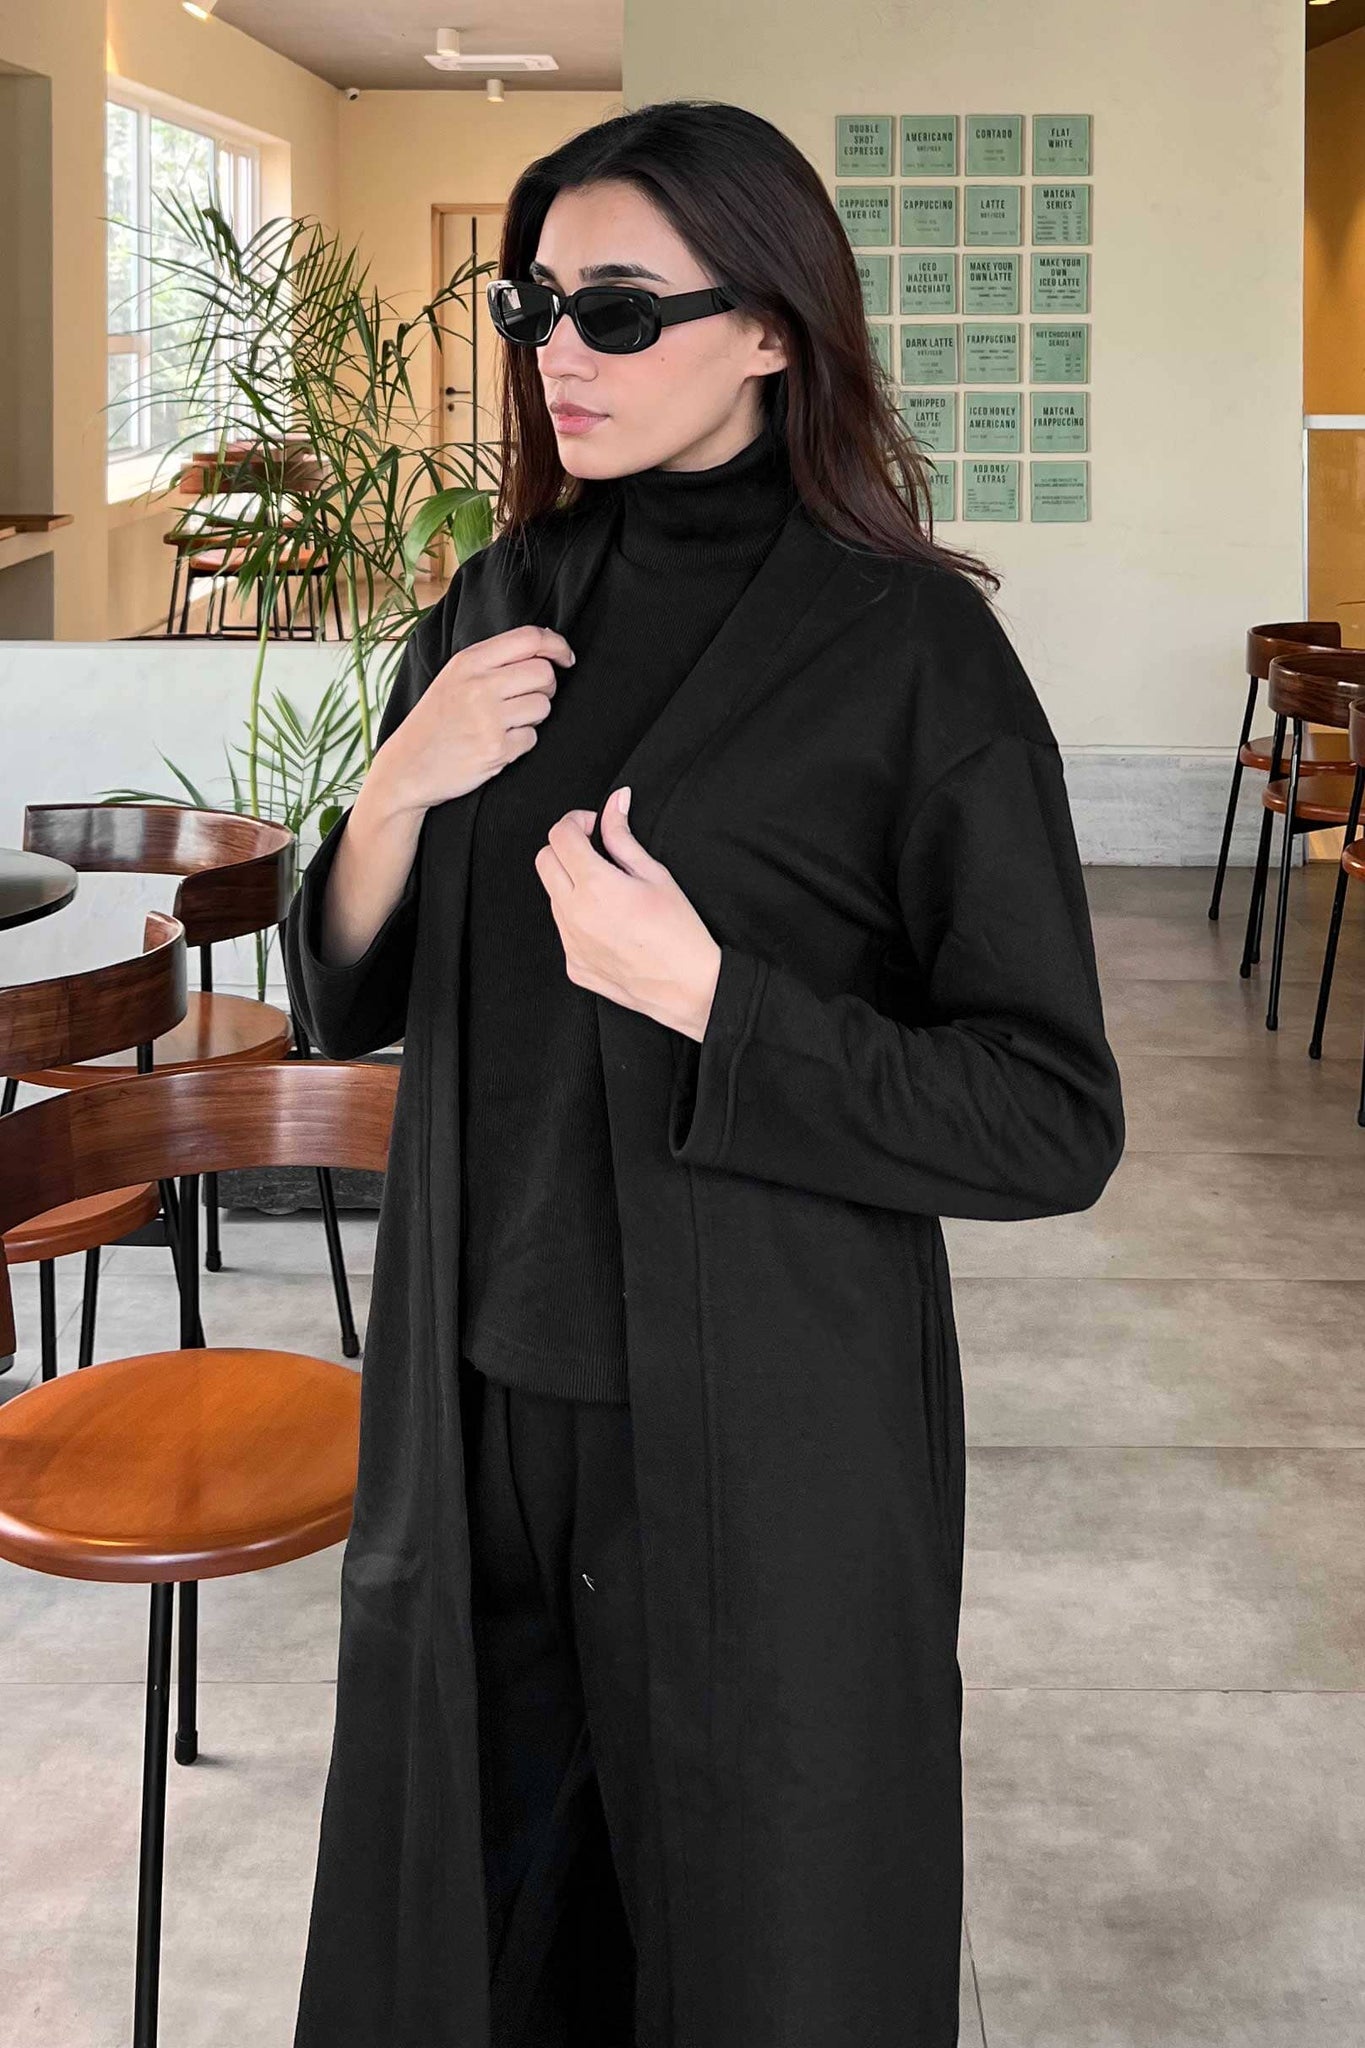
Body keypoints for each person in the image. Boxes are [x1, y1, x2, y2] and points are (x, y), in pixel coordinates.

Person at [284, 98, 1125, 2048]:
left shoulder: (909, 652)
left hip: (770, 1426)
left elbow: (1047, 1115)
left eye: (616, 308)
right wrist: (395, 788)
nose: (556, 352)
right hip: (479, 1402)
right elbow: (349, 997)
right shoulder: (499, 605)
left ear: (766, 327)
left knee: (764, 1940)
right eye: (532, 307)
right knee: (488, 1940)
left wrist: (716, 1001)